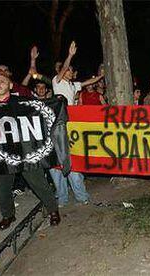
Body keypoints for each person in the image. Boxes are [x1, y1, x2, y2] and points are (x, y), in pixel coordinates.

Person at [0, 72, 60, 230]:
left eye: (2, 81)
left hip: (25, 153)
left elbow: (42, 111)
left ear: (10, 85)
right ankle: (8, 215)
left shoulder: (23, 103)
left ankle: (53, 210)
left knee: (39, 183)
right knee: (2, 188)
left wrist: (57, 102)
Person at [50, 41, 102, 207]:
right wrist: (70, 55)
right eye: (70, 70)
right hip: (58, 126)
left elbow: (88, 82)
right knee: (58, 162)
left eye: (71, 70)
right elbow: (64, 69)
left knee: (74, 159)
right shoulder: (56, 82)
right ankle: (62, 198)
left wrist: (101, 75)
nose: (72, 72)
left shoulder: (73, 85)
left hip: (72, 126)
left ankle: (81, 196)